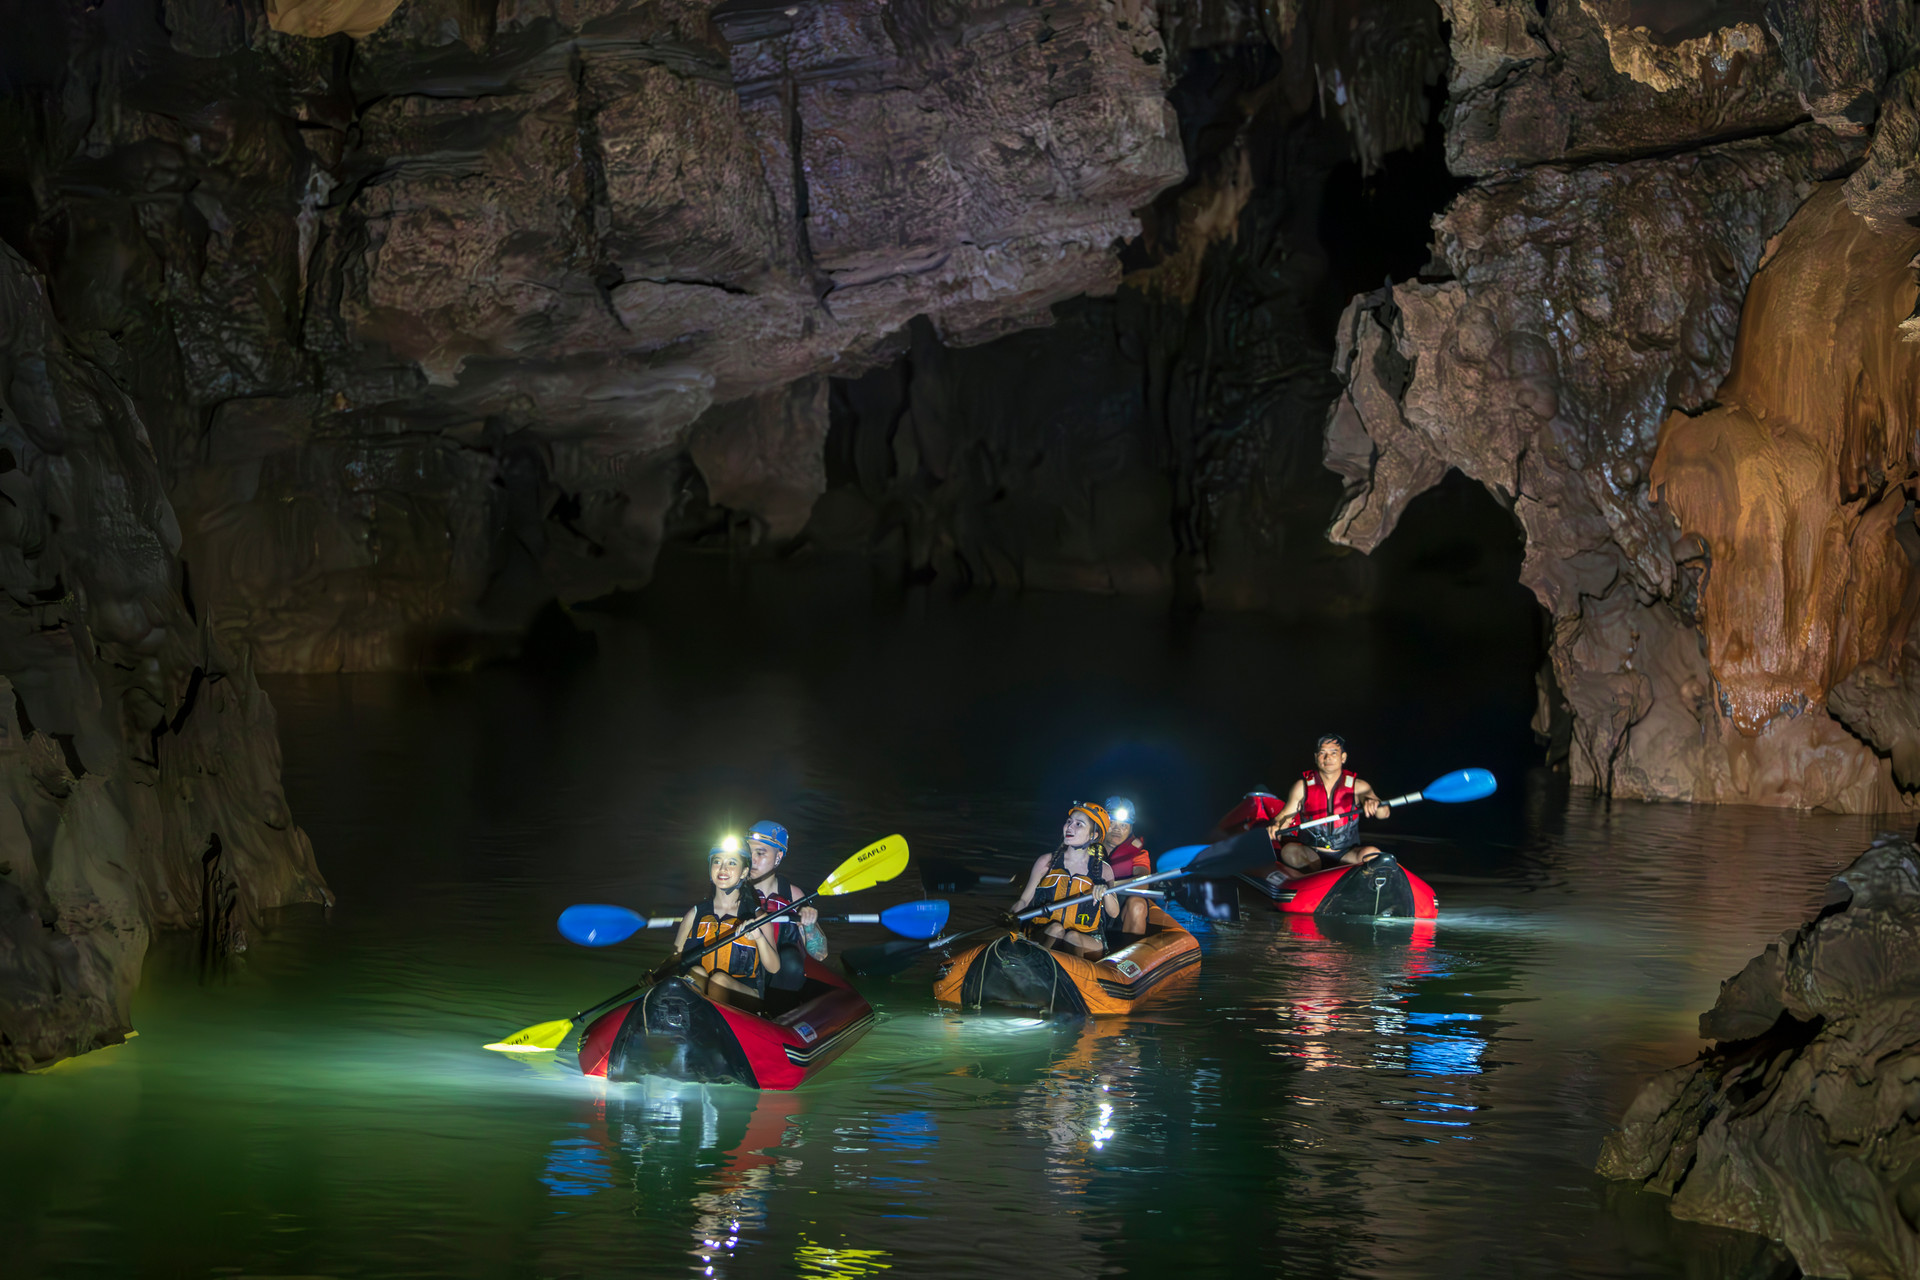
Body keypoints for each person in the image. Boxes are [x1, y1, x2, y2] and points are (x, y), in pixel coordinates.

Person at [674, 841, 781, 1009]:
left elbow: (774, 968)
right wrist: (655, 975)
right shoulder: (695, 914)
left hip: (745, 996)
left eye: (732, 863)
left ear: (744, 872)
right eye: (717, 861)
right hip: (703, 991)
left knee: (719, 980)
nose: (722, 868)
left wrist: (758, 937)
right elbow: (675, 959)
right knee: (697, 973)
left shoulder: (757, 917)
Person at [1267, 734, 1389, 881]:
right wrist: (1275, 825)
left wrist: (1375, 803)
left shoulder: (1359, 786)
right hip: (1311, 854)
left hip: (1345, 854)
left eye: (1333, 752)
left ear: (1343, 757)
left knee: (1373, 854)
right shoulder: (1302, 786)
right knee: (1289, 852)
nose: (1328, 758)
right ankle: (1314, 882)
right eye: (1322, 753)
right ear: (1315, 757)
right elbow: (1285, 815)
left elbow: (1384, 813)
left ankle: (1348, 883)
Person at [1009, 802, 1118, 959]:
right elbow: (1024, 900)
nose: (1069, 827)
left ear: (1093, 836)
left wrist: (1105, 892)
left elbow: (1113, 913)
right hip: (1046, 930)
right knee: (1056, 929)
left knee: (1072, 936)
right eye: (1069, 821)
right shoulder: (1047, 862)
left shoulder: (1103, 870)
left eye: (1079, 824)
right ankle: (1038, 965)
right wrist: (1011, 918)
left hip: (1087, 939)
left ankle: (1074, 976)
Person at [746, 820, 827, 991]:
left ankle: (781, 1007)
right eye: (748, 851)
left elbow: (820, 954)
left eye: (760, 853)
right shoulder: (732, 889)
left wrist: (809, 925)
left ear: (778, 857)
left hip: (780, 978)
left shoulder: (794, 896)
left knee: (791, 959)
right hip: (742, 968)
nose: (752, 859)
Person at [1102, 795, 1152, 937]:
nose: (1117, 829)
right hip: (1091, 906)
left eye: (1123, 825)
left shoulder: (1139, 853)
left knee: (1138, 904)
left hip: (1121, 913)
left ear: (1130, 828)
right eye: (1112, 823)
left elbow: (1143, 882)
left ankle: (1130, 951)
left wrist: (1111, 886)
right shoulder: (1088, 846)